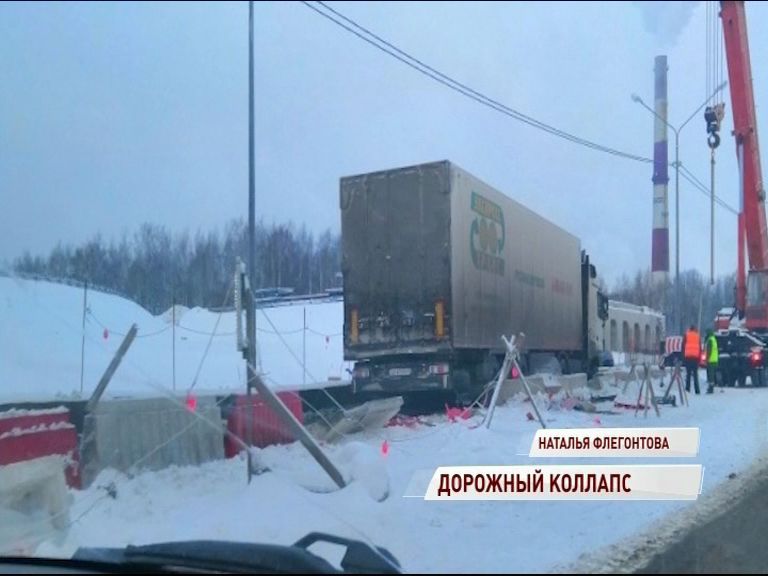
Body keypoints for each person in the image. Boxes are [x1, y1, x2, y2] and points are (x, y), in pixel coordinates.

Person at [682, 324, 701, 395]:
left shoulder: (686, 335)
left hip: (688, 357)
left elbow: (683, 346)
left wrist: (683, 357)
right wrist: (699, 359)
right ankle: (697, 390)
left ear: (690, 329)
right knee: (695, 375)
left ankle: (687, 389)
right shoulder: (697, 336)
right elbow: (699, 348)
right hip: (695, 358)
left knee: (688, 374)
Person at [706, 330, 719, 394]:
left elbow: (709, 351)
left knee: (710, 375)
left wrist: (707, 359)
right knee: (713, 375)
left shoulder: (710, 340)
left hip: (710, 360)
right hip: (715, 360)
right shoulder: (714, 339)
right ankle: (713, 386)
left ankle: (711, 388)